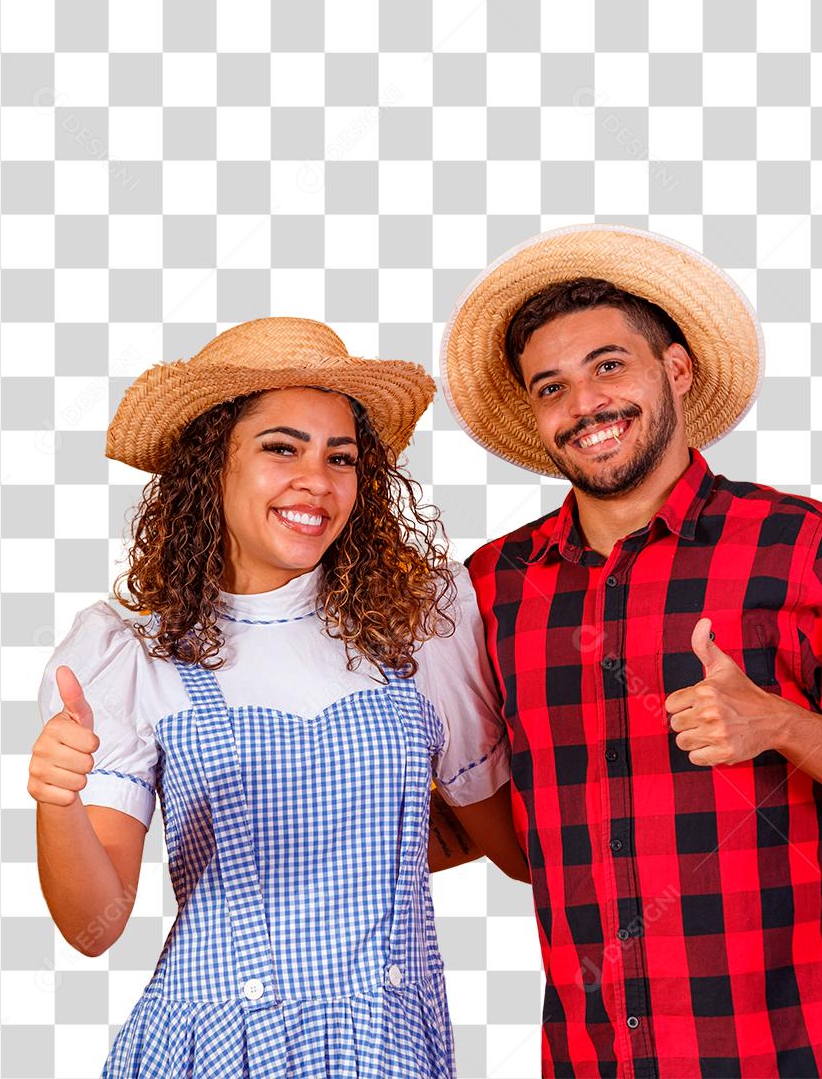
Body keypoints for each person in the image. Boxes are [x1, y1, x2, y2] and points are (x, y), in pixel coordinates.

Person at [440, 225, 822, 1078]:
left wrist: (779, 724)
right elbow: (498, 814)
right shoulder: (494, 586)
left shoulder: (797, 545)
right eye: (552, 387)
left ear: (675, 369)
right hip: (594, 1054)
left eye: (610, 366)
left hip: (788, 1050)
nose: (586, 405)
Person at [30, 316, 528, 1078]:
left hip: (388, 1048)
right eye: (280, 448)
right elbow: (95, 928)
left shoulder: (422, 627)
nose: (318, 481)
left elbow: (519, 852)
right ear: (211, 466)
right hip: (209, 1051)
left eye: (341, 457)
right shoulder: (132, 651)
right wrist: (57, 800)